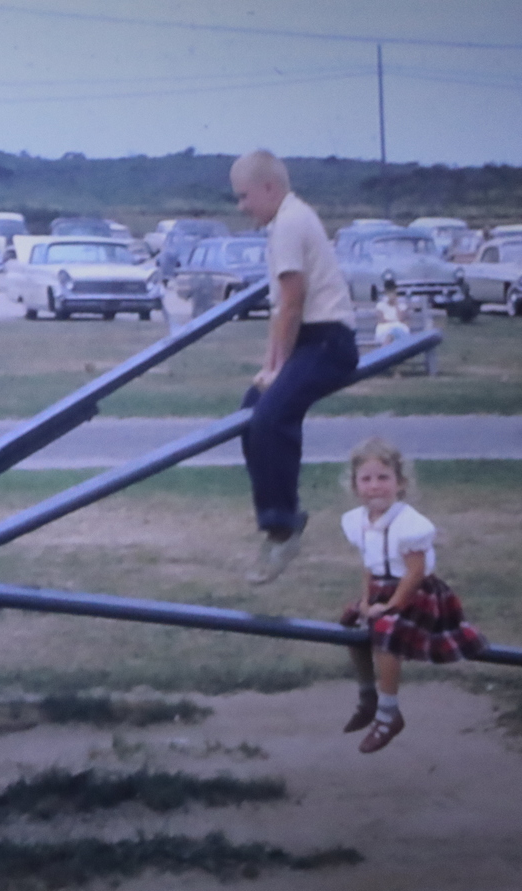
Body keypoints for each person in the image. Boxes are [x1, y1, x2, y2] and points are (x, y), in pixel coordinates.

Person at [230, 150, 359, 584]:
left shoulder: (289, 222)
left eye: (244, 196)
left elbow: (293, 303)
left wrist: (279, 368)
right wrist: (269, 369)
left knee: (271, 419)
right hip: (308, 340)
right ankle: (275, 522)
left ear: (270, 188)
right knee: (249, 417)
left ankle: (284, 527)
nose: (241, 206)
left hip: (328, 343)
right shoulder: (286, 221)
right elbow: (279, 313)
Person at [338, 438, 487, 753]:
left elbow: (416, 572)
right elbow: (368, 566)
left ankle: (389, 713)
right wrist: (366, 602)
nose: (375, 486)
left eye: (383, 478)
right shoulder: (358, 521)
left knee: (385, 633)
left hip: (413, 592)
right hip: (380, 588)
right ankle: (368, 697)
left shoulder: (409, 524)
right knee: (350, 626)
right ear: (355, 485)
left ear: (400, 483)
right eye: (366, 479)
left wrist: (391, 606)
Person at [374, 278, 411, 347]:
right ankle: (386, 349)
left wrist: (396, 304)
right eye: (388, 291)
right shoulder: (380, 305)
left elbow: (401, 318)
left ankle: (384, 350)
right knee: (391, 332)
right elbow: (381, 320)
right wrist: (394, 322)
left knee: (396, 330)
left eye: (392, 291)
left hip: (399, 327)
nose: (390, 293)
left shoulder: (401, 305)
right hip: (385, 328)